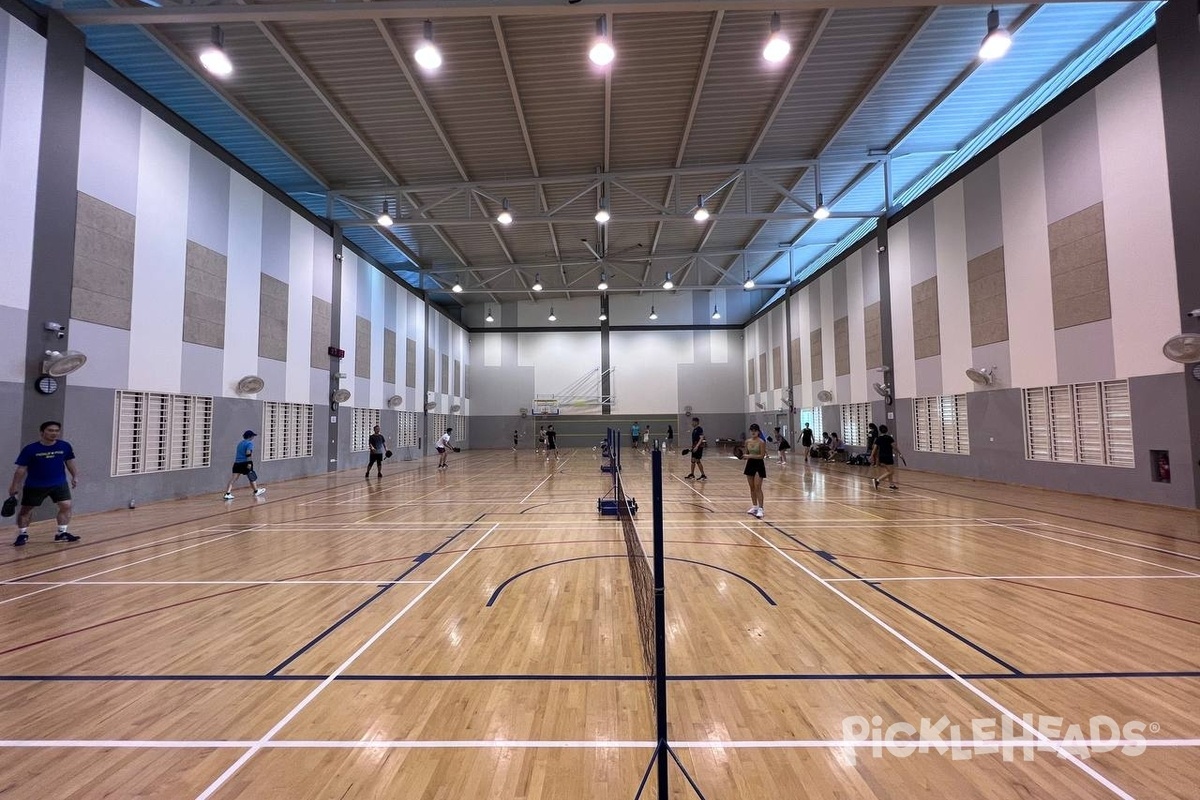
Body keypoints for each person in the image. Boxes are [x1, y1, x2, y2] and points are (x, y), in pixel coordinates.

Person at [9, 421, 80, 546]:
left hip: (59, 483)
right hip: (35, 485)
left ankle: (61, 533)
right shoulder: (30, 449)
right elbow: (21, 469)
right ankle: (22, 534)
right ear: (42, 432)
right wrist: (14, 485)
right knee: (26, 510)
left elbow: (69, 462)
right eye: (50, 430)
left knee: (66, 505)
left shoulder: (64, 446)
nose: (54, 433)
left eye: (56, 431)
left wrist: (75, 476)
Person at [225, 430, 266, 500]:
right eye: (253, 436)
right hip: (245, 463)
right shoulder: (249, 443)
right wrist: (249, 463)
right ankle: (256, 491)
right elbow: (248, 453)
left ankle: (227, 494)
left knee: (233, 479)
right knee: (251, 476)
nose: (253, 437)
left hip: (237, 463)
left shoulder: (240, 443)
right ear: (250, 436)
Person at [744, 423, 767, 518]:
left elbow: (762, 456)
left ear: (758, 432)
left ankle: (761, 509)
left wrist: (749, 456)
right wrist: (744, 456)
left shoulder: (761, 442)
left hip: (759, 465)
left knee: (758, 487)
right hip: (750, 465)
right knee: (752, 487)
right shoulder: (747, 442)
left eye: (755, 431)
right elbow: (746, 454)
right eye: (752, 430)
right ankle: (754, 506)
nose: (753, 432)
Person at [871, 424, 902, 490]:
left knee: (889, 471)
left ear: (880, 431)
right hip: (888, 456)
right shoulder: (889, 438)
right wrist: (899, 453)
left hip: (881, 457)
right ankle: (877, 480)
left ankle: (891, 485)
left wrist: (871, 456)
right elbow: (894, 447)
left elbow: (874, 448)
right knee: (891, 472)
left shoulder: (879, 438)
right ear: (886, 430)